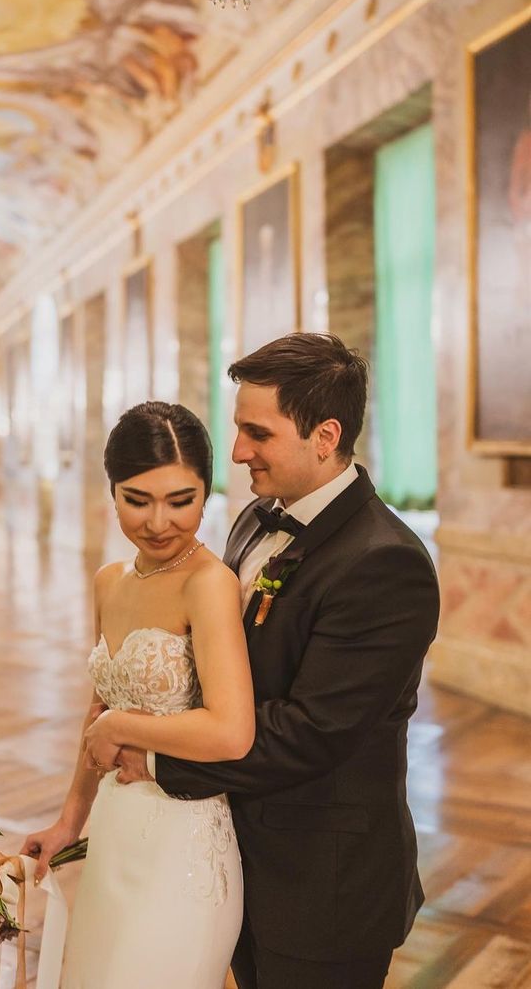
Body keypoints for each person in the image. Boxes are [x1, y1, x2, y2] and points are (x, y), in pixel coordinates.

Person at [113, 333, 441, 989]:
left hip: (325, 887)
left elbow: (310, 734)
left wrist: (152, 759)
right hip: (235, 861)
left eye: (256, 434)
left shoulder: (386, 564)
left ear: (325, 435)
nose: (237, 452)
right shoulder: (256, 521)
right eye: (238, 429)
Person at [21, 401, 254, 989]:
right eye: (137, 500)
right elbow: (97, 710)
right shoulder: (108, 581)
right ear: (113, 492)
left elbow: (231, 730)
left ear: (207, 491)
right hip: (114, 830)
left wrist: (122, 729)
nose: (158, 523)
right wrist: (68, 822)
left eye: (182, 500)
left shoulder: (209, 584)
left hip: (184, 840)